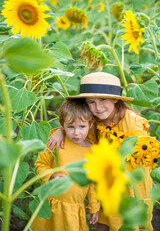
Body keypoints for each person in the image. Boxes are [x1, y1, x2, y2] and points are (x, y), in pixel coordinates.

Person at [47, 72, 153, 231]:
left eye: (103, 100)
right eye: (91, 102)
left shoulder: (132, 121)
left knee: (131, 223)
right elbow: (77, 130)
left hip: (132, 183)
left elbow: (145, 150)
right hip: (106, 182)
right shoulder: (94, 122)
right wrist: (61, 131)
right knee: (103, 222)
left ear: (115, 99)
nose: (98, 107)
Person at [31, 98, 100, 231]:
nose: (76, 132)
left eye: (82, 126)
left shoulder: (93, 151)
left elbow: (93, 184)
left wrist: (94, 207)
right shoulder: (56, 142)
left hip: (74, 208)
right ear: (62, 125)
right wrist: (51, 175)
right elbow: (40, 164)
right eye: (70, 127)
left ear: (90, 125)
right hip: (51, 205)